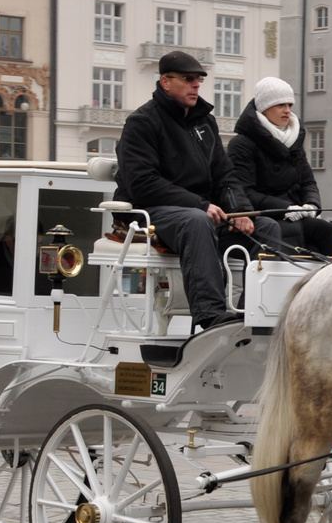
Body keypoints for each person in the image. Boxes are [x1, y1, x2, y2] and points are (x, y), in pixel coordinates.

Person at [114, 51, 286, 331]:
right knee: (197, 221)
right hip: (152, 212)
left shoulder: (205, 122)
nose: (196, 85)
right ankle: (210, 316)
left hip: (199, 212)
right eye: (188, 79)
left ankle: (254, 313)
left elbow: (224, 175)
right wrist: (199, 204)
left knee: (266, 227)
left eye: (199, 80)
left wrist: (241, 212)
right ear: (165, 82)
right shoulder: (142, 122)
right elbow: (142, 183)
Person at [227, 77, 332, 257]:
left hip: (294, 214)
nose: (287, 110)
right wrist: (285, 208)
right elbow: (245, 192)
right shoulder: (242, 144)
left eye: (290, 104)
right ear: (264, 108)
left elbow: (308, 182)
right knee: (285, 231)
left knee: (325, 229)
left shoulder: (294, 140)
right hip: (265, 216)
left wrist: (311, 204)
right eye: (280, 105)